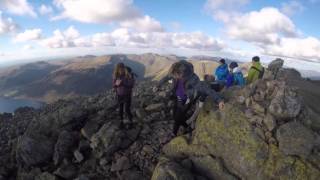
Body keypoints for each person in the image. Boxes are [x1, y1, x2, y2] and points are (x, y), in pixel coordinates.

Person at [154, 60, 224, 136]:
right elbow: (167, 77)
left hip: (186, 99)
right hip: (177, 96)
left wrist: (219, 100)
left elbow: (207, 89)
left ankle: (174, 134)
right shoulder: (176, 71)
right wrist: (158, 85)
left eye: (177, 76)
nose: (174, 77)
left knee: (177, 117)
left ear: (183, 74)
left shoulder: (193, 79)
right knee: (175, 116)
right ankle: (187, 126)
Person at [112, 63, 135, 128]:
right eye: (119, 68)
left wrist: (123, 83)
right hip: (119, 95)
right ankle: (121, 122)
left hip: (127, 94)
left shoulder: (128, 74)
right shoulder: (116, 75)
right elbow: (113, 85)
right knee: (120, 109)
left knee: (127, 109)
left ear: (124, 68)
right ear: (117, 69)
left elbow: (132, 84)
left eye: (122, 68)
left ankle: (131, 122)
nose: (121, 70)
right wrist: (116, 85)